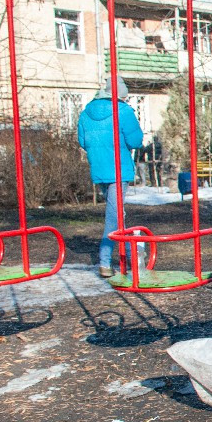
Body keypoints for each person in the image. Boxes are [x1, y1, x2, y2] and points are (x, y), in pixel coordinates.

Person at [77, 76, 144, 278]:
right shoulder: (123, 111)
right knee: (113, 217)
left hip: (99, 168)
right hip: (118, 169)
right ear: (121, 94)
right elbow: (136, 140)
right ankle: (105, 261)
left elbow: (82, 141)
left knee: (118, 214)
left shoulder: (86, 112)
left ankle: (132, 257)